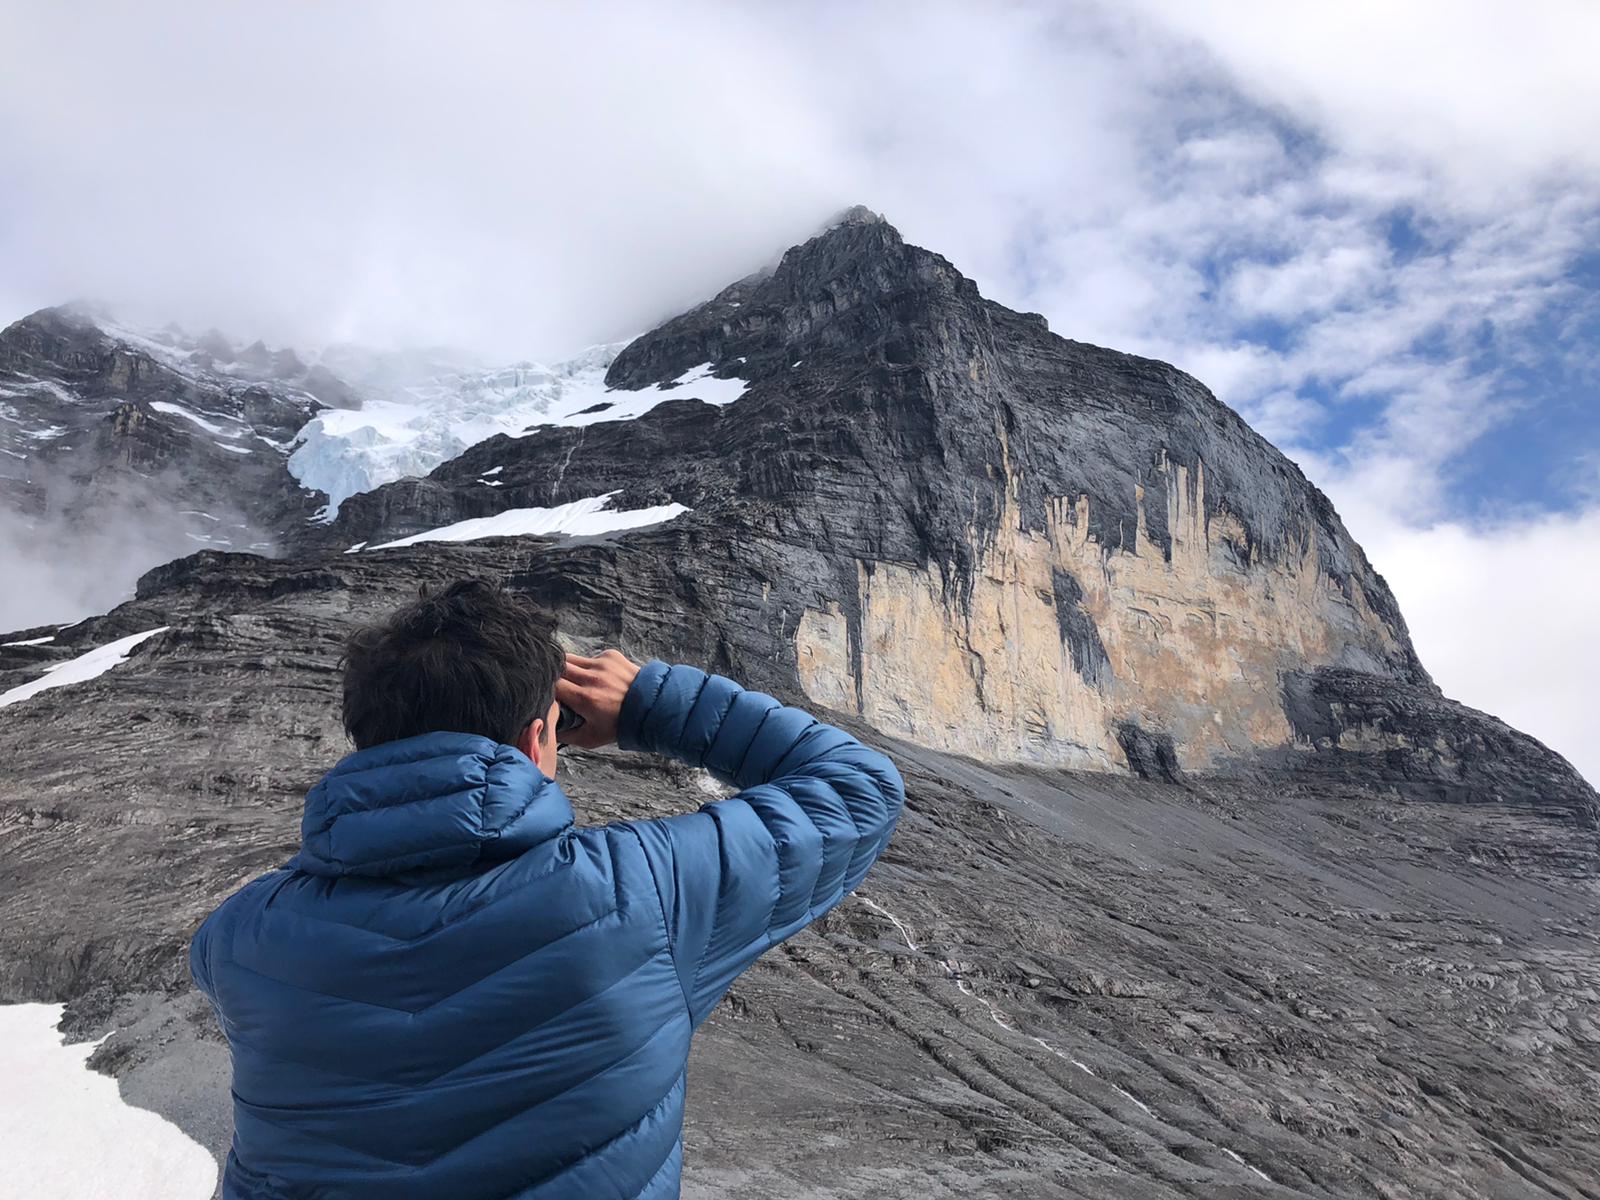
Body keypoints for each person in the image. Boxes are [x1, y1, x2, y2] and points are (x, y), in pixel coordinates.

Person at [189, 578, 905, 1200]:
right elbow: (860, 790)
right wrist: (651, 704)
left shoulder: (238, 938)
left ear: (368, 739)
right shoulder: (645, 892)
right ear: (538, 742)